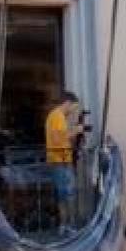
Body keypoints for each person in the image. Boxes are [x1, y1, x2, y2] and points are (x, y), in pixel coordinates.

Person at [44, 91, 83, 232]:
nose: (74, 111)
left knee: (63, 194)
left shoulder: (55, 116)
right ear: (68, 103)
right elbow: (61, 138)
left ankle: (65, 225)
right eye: (74, 107)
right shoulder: (58, 116)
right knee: (69, 193)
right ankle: (69, 225)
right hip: (61, 160)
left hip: (58, 159)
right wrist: (77, 130)